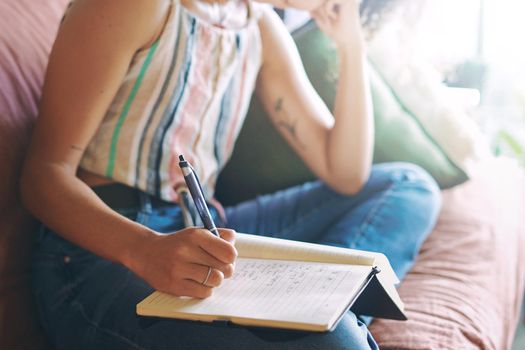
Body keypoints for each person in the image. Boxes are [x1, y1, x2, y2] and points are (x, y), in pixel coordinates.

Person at [21, 0, 441, 348]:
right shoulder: (139, 6)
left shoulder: (257, 25)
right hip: (104, 250)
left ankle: (322, 306)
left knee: (408, 186)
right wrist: (144, 249)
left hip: (206, 235)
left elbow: (346, 174)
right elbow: (43, 176)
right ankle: (322, 324)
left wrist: (351, 47)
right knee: (337, 343)